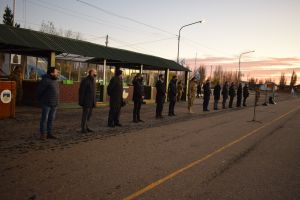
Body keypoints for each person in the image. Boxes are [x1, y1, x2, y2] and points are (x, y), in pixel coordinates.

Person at [37, 67, 59, 140]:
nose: (57, 73)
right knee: (44, 119)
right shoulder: (45, 80)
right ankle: (43, 134)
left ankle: (49, 134)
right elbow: (39, 91)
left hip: (54, 104)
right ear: (51, 73)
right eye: (56, 72)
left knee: (51, 119)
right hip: (46, 103)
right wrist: (41, 100)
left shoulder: (55, 80)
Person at [79, 68, 97, 133]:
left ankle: (86, 127)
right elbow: (82, 91)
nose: (96, 73)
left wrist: (94, 101)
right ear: (91, 72)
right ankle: (83, 128)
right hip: (86, 101)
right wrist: (81, 101)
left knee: (89, 115)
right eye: (95, 72)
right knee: (85, 115)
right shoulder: (85, 80)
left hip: (92, 101)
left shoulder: (93, 80)